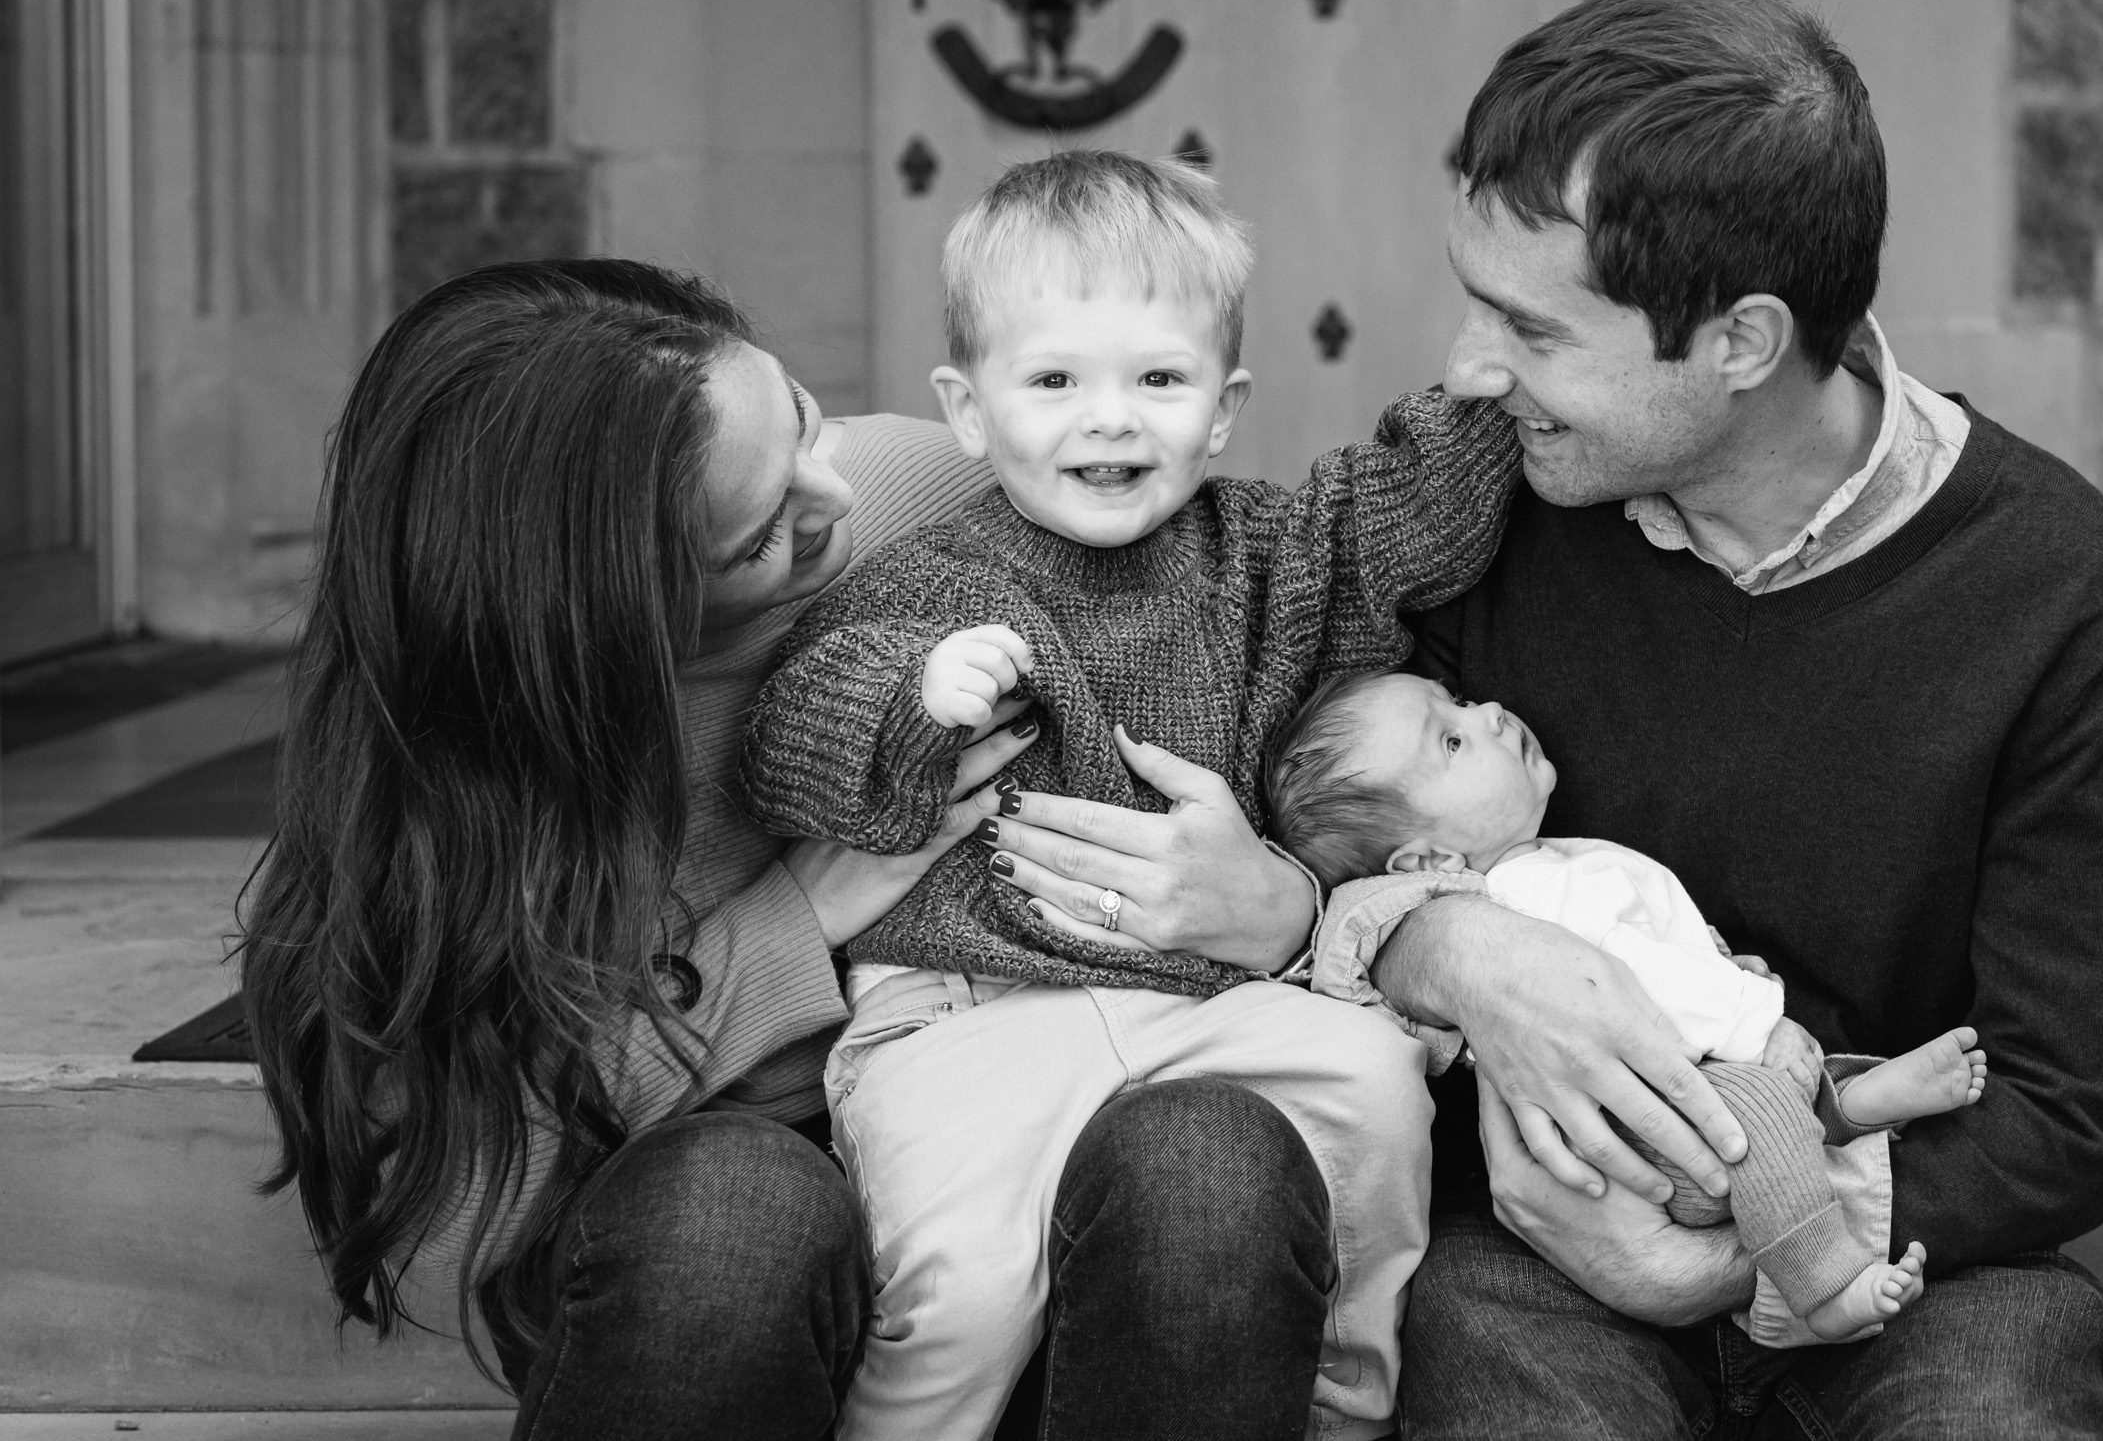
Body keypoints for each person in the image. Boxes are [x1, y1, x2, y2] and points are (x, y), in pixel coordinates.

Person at [975, 0, 2103, 1438]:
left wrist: (1723, 1255)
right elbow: (1320, 807)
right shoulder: (1476, 500)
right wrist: (1438, 937)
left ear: (1738, 341)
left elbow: (2067, 1101)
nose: (1473, 367)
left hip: (1912, 1234)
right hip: (1526, 1249)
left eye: (1531, 330)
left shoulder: (2055, 580)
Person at [238, 259, 1334, 1441]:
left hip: (1049, 1170)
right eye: (766, 532)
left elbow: (1289, 677)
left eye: (805, 419)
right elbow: (444, 1207)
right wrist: (794, 921)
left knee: (1207, 1162)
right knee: (737, 1208)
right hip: (729, 1275)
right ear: (604, 606)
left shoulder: (921, 485)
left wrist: (1285, 905)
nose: (836, 496)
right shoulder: (474, 788)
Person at [739, 150, 1521, 1441]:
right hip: (964, 1009)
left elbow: (1396, 513)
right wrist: (916, 699)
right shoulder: (928, 579)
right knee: (960, 1290)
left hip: (1211, 997)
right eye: (1054, 380)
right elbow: (789, 740)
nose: (1111, 419)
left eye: (1158, 379)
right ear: (970, 406)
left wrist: (1485, 396)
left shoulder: (1267, 552)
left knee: (1378, 1085)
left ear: (1222, 408)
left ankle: (1341, 1395)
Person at [1264, 668, 1989, 1343]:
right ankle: (1825, 1287)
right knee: (1762, 1117)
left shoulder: (1546, 865)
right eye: (1451, 740)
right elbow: (1633, 984)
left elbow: (1649, 948)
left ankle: (1849, 1105)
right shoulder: (1528, 898)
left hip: (1680, 1094)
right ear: (1427, 863)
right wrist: (1751, 1018)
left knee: (1769, 1116)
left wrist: (1717, 964)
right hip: (1649, 1135)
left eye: (1455, 699)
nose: (1484, 711)